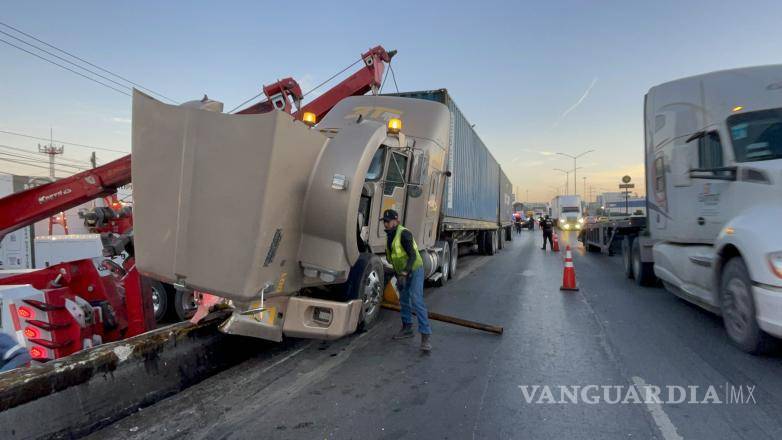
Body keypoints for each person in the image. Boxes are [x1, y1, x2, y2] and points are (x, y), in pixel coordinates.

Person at [382, 209, 432, 352]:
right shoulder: (390, 236)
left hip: (415, 270)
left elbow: (412, 256)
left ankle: (426, 336)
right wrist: (399, 274)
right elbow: (393, 258)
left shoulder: (404, 234)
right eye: (384, 221)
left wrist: (404, 273)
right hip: (401, 272)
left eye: (388, 221)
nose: (385, 224)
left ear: (396, 221)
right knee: (404, 299)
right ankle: (407, 328)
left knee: (416, 300)